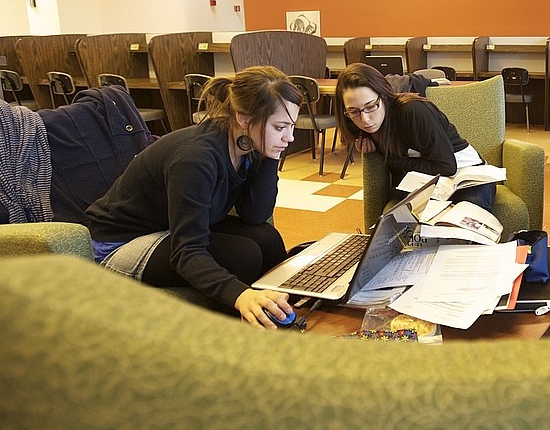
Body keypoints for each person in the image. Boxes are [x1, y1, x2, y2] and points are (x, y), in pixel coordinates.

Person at [86, 65, 303, 329]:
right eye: (280, 127)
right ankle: (233, 337)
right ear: (244, 119)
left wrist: (271, 157)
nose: (289, 137)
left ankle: (280, 314)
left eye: (291, 126)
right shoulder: (196, 158)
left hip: (167, 226)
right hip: (120, 242)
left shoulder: (248, 141)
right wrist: (239, 295)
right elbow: (186, 251)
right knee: (242, 255)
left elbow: (255, 215)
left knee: (266, 237)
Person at [335, 62, 496, 212]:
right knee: (411, 218)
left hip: (467, 175)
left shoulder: (412, 110)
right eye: (354, 111)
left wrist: (390, 158)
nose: (365, 120)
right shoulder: (357, 124)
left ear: (383, 96)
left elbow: (446, 167)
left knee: (466, 213)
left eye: (371, 106)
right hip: (429, 181)